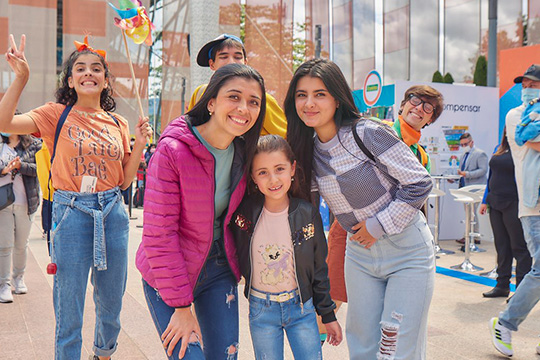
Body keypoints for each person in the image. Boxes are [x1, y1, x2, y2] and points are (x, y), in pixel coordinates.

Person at [0, 34, 152, 360]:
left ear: (106, 81)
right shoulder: (56, 114)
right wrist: (21, 77)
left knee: (111, 302)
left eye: (96, 69)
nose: (88, 73)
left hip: (112, 212)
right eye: (80, 68)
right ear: (70, 80)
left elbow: (125, 181)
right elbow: (4, 121)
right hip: (71, 215)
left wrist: (139, 143)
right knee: (69, 304)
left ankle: (104, 353)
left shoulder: (118, 122)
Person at [285, 58, 435, 360]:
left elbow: (419, 183)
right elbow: (308, 212)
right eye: (302, 95)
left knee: (395, 347)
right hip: (360, 258)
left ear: (338, 98)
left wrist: (376, 226)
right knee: (363, 347)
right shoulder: (307, 150)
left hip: (407, 252)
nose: (309, 103)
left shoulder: (367, 132)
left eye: (320, 94)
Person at [136, 63, 266, 360]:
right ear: (211, 102)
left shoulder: (246, 153)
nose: (243, 108)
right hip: (168, 268)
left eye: (253, 102)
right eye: (234, 97)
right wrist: (182, 307)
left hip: (219, 268)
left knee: (226, 356)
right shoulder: (172, 150)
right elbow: (159, 235)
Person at [319, 84, 444, 342]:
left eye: (427, 107)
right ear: (402, 104)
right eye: (414, 100)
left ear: (431, 118)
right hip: (352, 230)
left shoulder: (421, 156)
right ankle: (313, 349)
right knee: (332, 299)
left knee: (384, 317)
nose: (418, 108)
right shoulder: (375, 130)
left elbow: (416, 197)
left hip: (395, 238)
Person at [230, 134, 342, 359]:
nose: (273, 179)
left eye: (279, 169)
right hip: (261, 310)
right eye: (263, 172)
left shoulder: (307, 214)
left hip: (302, 308)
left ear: (292, 169)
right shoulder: (243, 215)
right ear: (253, 177)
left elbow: (319, 268)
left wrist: (328, 315)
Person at [489, 64, 540, 357]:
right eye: (526, 83)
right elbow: (530, 142)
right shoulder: (516, 115)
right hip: (533, 205)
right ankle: (505, 323)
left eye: (535, 84)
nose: (528, 87)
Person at [187, 33, 287, 137]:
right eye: (224, 57)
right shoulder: (200, 93)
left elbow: (286, 137)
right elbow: (188, 129)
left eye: (237, 57)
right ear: (212, 64)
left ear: (245, 62)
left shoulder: (262, 99)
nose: (231, 62)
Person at [479, 128, 532, 299]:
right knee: (501, 246)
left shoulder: (526, 148)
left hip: (515, 202)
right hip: (495, 202)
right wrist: (484, 200)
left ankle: (521, 292)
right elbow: (490, 176)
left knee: (519, 247)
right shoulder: (498, 148)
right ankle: (502, 285)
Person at [0, 132, 41, 303]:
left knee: (21, 244)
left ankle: (19, 277)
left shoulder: (34, 145)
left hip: (26, 202)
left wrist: (20, 166)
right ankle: (4, 284)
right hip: (3, 203)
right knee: (4, 245)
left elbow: (40, 168)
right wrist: (4, 170)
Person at [455, 132, 488, 245]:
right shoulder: (463, 155)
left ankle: (470, 236)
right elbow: (461, 171)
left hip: (475, 189)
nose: (464, 146)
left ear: (471, 142)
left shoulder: (480, 154)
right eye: (462, 145)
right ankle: (472, 235)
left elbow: (483, 170)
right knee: (469, 213)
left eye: (465, 144)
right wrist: (456, 177)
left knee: (471, 213)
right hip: (465, 188)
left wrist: (467, 174)